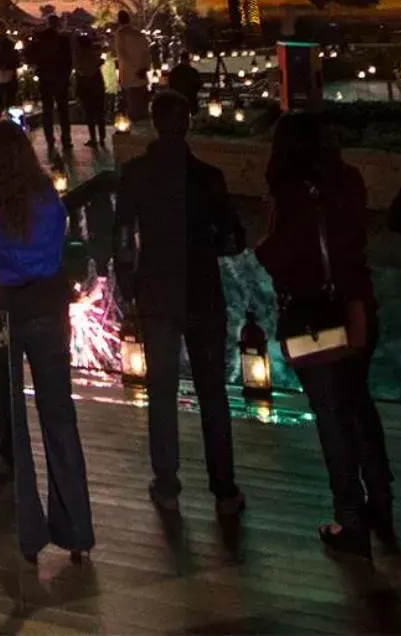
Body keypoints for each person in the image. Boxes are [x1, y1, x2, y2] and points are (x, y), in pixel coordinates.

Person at [256, 113, 395, 555]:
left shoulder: (290, 193)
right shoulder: (348, 179)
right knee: (359, 404)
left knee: (331, 416)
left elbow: (281, 254)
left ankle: (349, 519)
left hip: (316, 319)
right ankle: (381, 499)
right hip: (358, 308)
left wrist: (264, 246)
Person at [0, 119, 95, 565]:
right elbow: (59, 247)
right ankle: (76, 529)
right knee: (59, 417)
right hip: (47, 308)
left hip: (6, 311)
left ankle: (28, 534)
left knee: (13, 423)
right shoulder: (46, 198)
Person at [116, 91, 246, 518]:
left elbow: (121, 239)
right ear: (188, 123)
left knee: (162, 393)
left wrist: (127, 287)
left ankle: (167, 483)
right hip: (203, 290)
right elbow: (233, 236)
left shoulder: (136, 174)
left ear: (154, 123)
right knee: (212, 392)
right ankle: (224, 487)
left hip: (157, 291)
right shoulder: (208, 177)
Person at [24, 14, 74, 159]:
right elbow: (69, 60)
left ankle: (50, 139)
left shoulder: (40, 39)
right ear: (57, 24)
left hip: (46, 79)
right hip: (60, 79)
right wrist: (66, 74)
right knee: (63, 110)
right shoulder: (63, 40)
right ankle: (66, 139)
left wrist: (38, 68)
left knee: (48, 110)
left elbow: (29, 54)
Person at [113, 11, 153, 123]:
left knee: (131, 104)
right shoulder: (139, 34)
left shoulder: (120, 34)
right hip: (141, 72)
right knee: (142, 102)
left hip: (129, 74)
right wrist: (144, 68)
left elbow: (122, 54)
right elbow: (147, 53)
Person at [73, 34, 108, 149]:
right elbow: (100, 62)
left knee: (89, 113)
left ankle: (93, 138)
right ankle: (102, 137)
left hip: (85, 87)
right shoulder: (94, 55)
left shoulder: (78, 57)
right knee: (99, 112)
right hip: (97, 86)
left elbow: (79, 71)